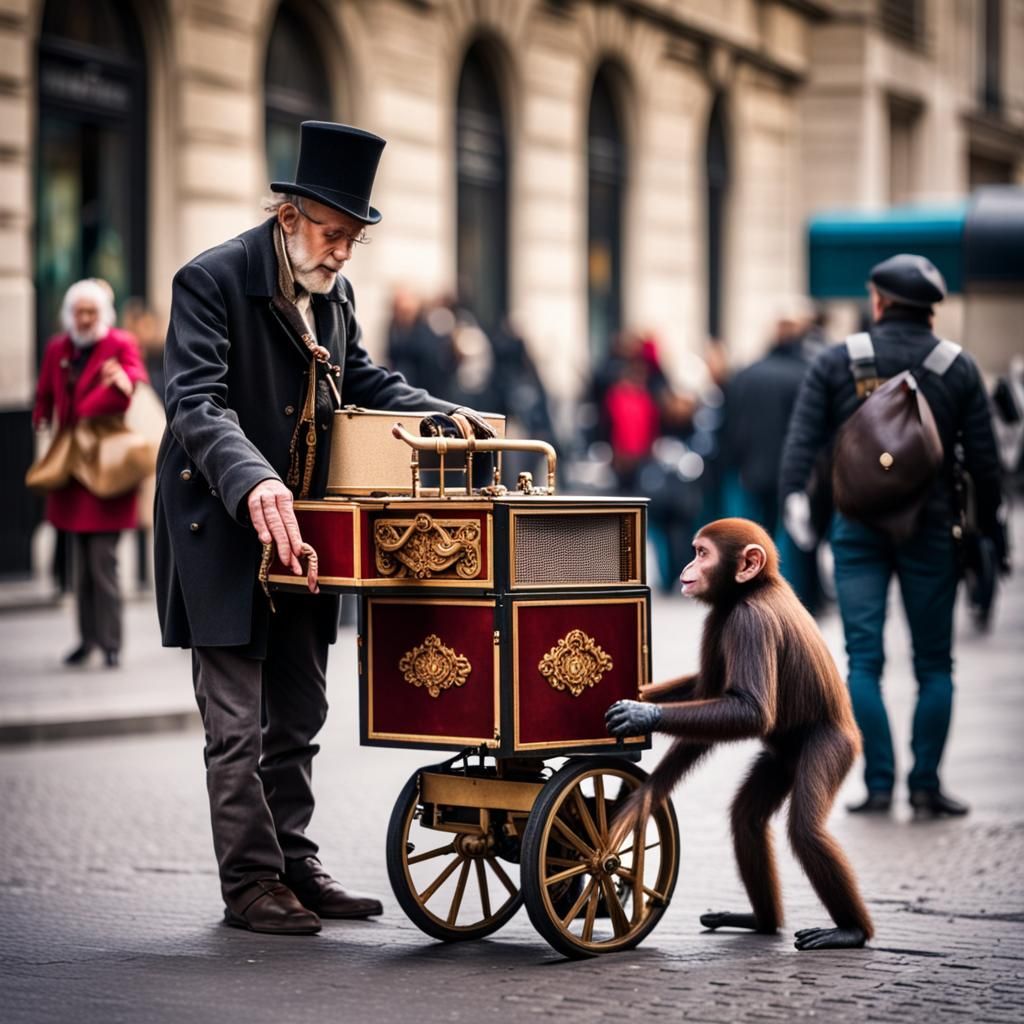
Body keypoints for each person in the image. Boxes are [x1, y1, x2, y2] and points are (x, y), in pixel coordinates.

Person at [154, 121, 492, 936]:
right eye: (333, 234)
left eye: (351, 239)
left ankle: (294, 863)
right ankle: (251, 885)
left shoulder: (331, 291)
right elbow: (196, 402)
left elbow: (363, 379)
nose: (342, 253)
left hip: (309, 527)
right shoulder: (211, 279)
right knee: (236, 723)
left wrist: (449, 417)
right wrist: (254, 479)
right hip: (227, 524)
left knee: (299, 709)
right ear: (290, 213)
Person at [780, 254, 1005, 819]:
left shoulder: (839, 360)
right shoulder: (957, 367)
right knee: (935, 665)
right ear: (932, 309)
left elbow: (802, 442)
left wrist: (796, 502)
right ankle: (926, 784)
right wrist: (991, 528)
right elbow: (984, 462)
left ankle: (878, 784)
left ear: (878, 302)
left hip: (857, 528)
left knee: (863, 661)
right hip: (931, 527)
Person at [32, 278, 149, 669]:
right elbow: (46, 391)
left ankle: (110, 641)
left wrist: (124, 380)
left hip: (106, 464)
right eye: (79, 312)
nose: (84, 319)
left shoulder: (118, 343)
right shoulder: (58, 348)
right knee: (79, 564)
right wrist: (39, 416)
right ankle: (86, 639)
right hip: (71, 463)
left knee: (103, 562)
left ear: (103, 314)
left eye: (92, 312)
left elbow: (134, 377)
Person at [721, 302, 821, 610]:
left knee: (756, 535)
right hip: (796, 471)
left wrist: (736, 462)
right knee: (797, 536)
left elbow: (731, 427)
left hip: (753, 469)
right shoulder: (807, 372)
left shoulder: (747, 374)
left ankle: (755, 596)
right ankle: (796, 599)